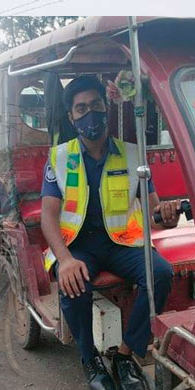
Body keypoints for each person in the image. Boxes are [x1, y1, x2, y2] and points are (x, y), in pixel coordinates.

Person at [40, 75, 177, 390]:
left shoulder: (132, 155)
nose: (91, 113)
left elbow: (155, 215)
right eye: (81, 108)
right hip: (77, 246)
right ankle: (90, 360)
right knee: (73, 283)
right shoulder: (59, 157)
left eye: (96, 105)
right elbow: (48, 216)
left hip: (121, 243)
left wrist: (166, 215)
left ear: (107, 108)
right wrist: (65, 259)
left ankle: (126, 355)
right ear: (72, 117)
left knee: (161, 272)